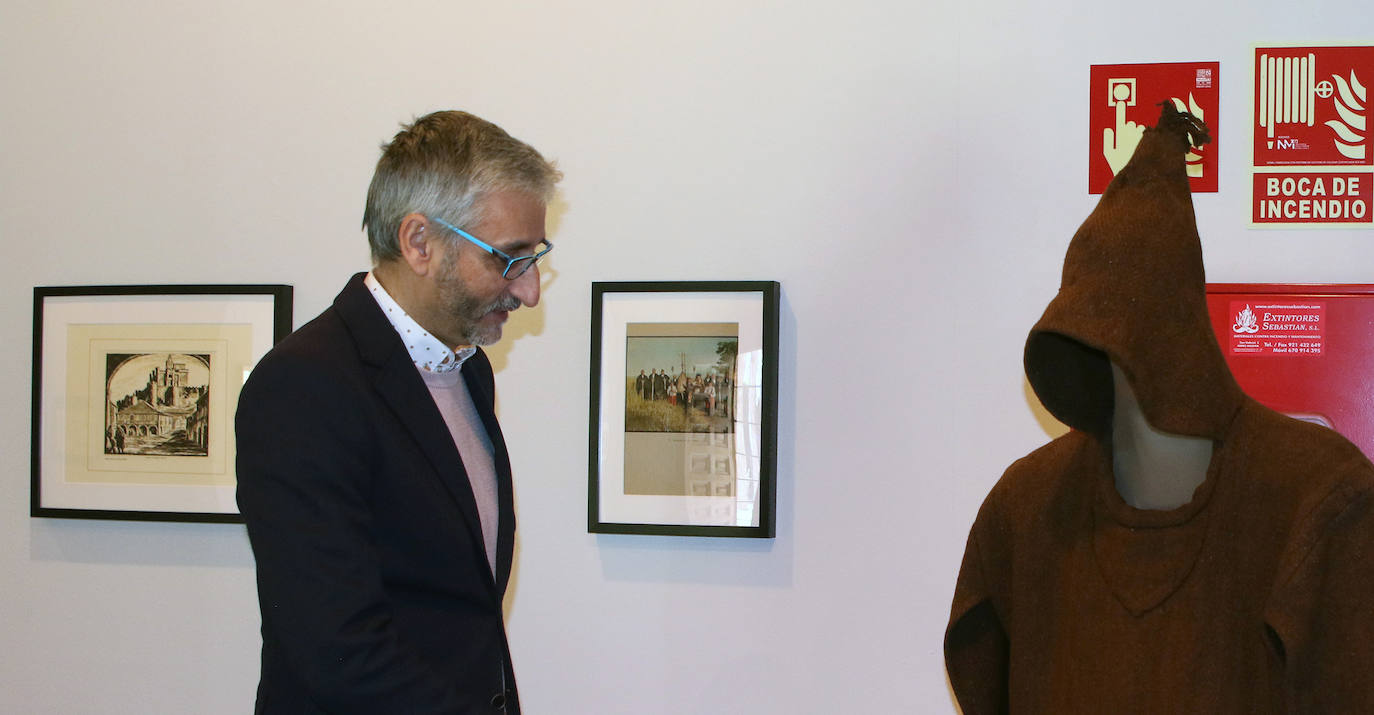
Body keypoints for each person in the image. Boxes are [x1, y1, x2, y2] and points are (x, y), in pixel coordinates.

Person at [236, 110, 560, 714]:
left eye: (534, 257)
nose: (530, 289)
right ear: (419, 243)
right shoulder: (304, 386)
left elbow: (459, 616)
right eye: (508, 258)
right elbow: (337, 653)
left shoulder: (467, 369)